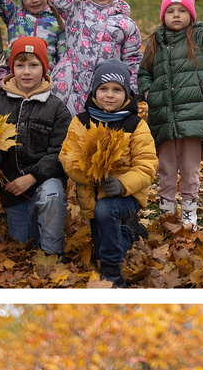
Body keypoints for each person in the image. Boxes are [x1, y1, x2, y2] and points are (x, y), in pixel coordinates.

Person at [139, 0, 203, 229]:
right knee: (166, 169)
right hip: (163, 117)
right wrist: (148, 92)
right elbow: (144, 72)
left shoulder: (200, 39)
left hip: (194, 118)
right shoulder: (155, 43)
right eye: (170, 11)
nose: (175, 15)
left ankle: (189, 213)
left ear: (191, 16)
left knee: (190, 169)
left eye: (181, 11)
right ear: (163, 16)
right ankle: (166, 212)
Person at [59, 62, 158, 285]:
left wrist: (122, 184)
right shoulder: (81, 121)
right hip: (92, 194)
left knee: (106, 212)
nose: (110, 95)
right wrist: (91, 175)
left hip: (126, 195)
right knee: (102, 250)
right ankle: (129, 234)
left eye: (117, 89)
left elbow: (147, 165)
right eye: (103, 89)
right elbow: (67, 158)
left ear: (126, 93)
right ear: (94, 91)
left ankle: (112, 275)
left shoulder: (136, 125)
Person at [0, 36, 70, 265]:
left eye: (33, 65)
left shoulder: (56, 107)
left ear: (44, 69)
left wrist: (33, 176)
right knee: (22, 245)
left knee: (51, 197)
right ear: (12, 68)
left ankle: (52, 254)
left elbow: (60, 152)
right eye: (20, 65)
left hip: (45, 180)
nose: (26, 72)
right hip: (13, 188)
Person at [44, 0, 141, 116]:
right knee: (66, 132)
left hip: (105, 92)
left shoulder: (126, 24)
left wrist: (131, 92)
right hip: (70, 87)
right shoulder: (75, 11)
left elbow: (132, 60)